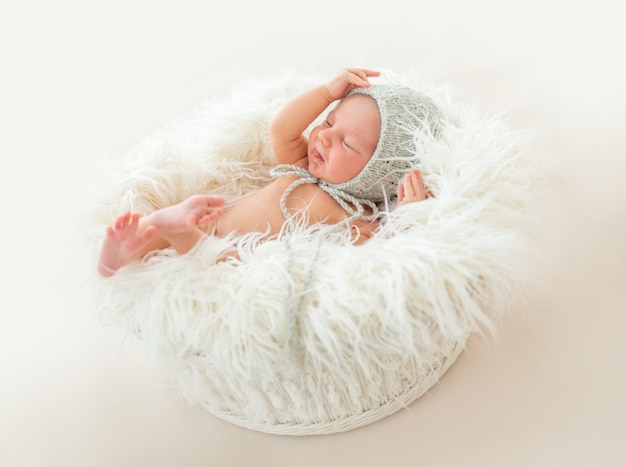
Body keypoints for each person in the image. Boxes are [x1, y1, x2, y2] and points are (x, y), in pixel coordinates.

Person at [97, 68, 443, 277]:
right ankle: (122, 252)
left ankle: (182, 235)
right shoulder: (302, 170)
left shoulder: (355, 216)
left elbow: (380, 258)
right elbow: (282, 129)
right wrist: (326, 93)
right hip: (213, 220)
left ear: (377, 173)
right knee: (164, 226)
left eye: (346, 144)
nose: (322, 136)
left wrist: (407, 216)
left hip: (240, 260)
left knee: (226, 263)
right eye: (329, 121)